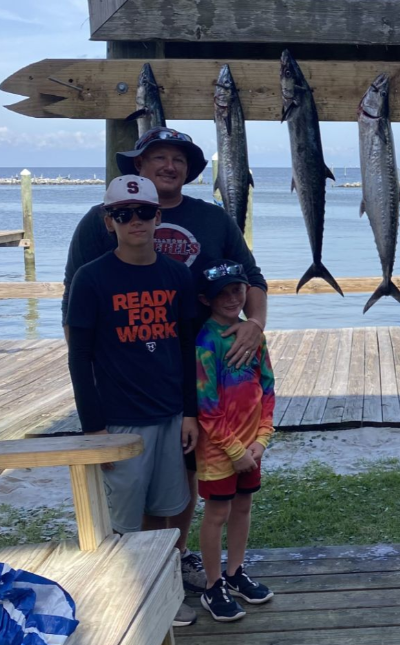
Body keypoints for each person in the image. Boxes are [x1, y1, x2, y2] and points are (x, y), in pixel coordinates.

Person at [62, 126, 269, 618]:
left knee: (183, 483)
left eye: (178, 158)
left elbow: (252, 278)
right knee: (126, 497)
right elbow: (75, 307)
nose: (168, 165)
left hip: (195, 377)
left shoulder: (211, 220)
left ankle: (169, 563)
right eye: (157, 156)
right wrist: (92, 399)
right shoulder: (98, 226)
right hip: (123, 385)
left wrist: (254, 326)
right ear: (137, 168)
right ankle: (127, 583)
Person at [65, 175, 199, 622]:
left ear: (158, 217)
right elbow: (79, 358)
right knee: (123, 521)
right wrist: (94, 430)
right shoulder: (91, 279)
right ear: (109, 222)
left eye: (144, 212)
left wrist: (189, 413)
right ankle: (122, 600)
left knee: (165, 515)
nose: (135, 221)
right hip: (120, 421)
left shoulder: (177, 276)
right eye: (124, 214)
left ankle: (161, 594)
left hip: (168, 415)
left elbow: (185, 349)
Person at [194, 258, 275, 622]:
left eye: (238, 291)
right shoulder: (206, 342)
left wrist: (262, 438)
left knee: (243, 507)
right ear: (206, 299)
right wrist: (235, 450)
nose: (231, 299)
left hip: (251, 447)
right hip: (219, 451)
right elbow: (206, 406)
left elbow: (268, 388)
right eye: (222, 293)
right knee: (218, 513)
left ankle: (236, 571)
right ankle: (213, 586)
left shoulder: (253, 336)